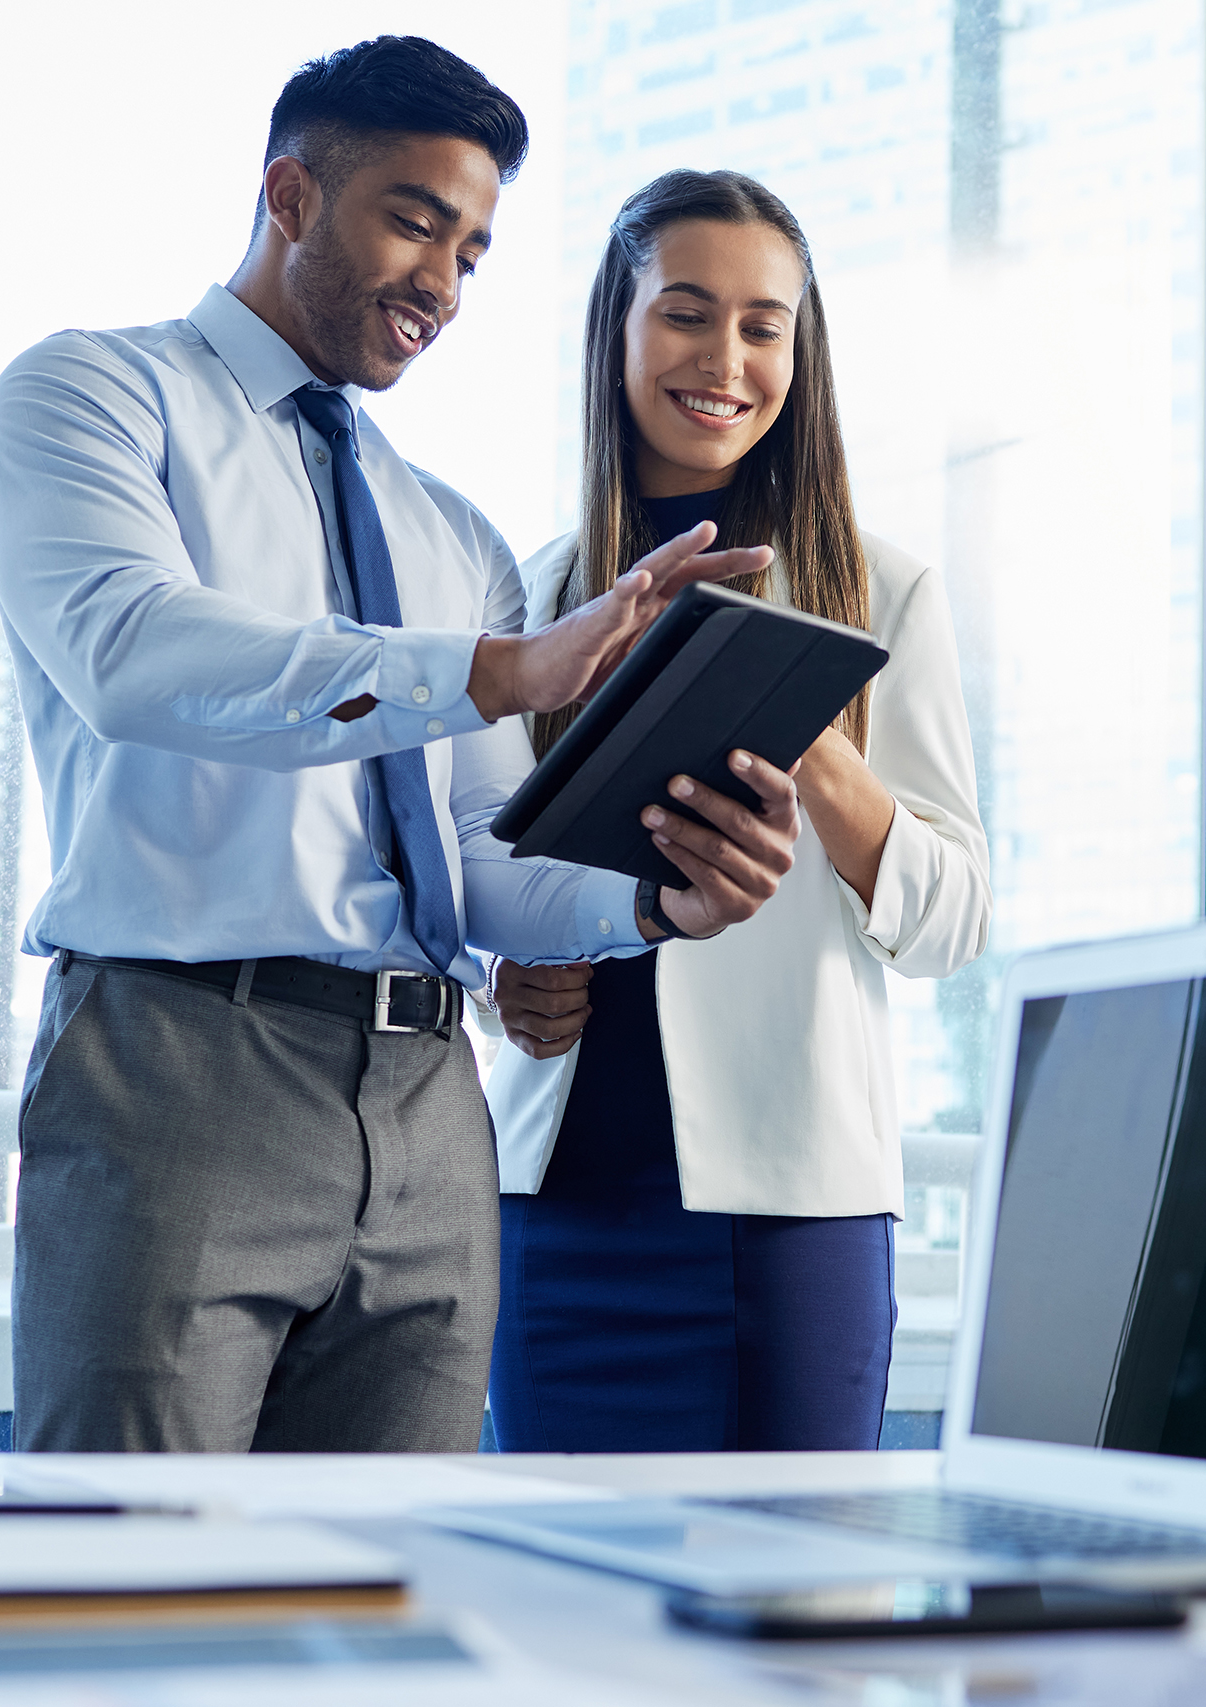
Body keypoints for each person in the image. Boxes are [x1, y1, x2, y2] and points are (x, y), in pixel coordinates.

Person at [0, 42, 802, 1454]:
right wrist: (488, 670)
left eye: (474, 251)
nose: (445, 282)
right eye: (415, 221)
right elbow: (135, 655)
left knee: (379, 1609)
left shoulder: (450, 533)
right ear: (291, 195)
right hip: (182, 1063)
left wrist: (656, 899)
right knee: (129, 1589)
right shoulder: (93, 397)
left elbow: (480, 857)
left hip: (429, 1107)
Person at [484, 169, 992, 1454]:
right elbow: (475, 874)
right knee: (564, 1626)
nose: (725, 358)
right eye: (686, 314)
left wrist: (812, 738)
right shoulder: (529, 595)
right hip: (559, 1201)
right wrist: (504, 977)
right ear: (617, 327)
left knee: (799, 1628)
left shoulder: (885, 591)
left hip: (793, 1213)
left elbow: (953, 922)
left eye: (764, 326)